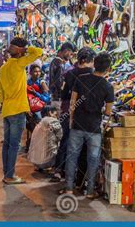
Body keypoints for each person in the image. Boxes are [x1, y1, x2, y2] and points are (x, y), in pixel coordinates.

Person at [64, 53, 114, 199]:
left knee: (72, 156)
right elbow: (108, 112)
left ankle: (69, 188)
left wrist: (72, 119)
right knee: (93, 159)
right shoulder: (108, 86)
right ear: (108, 69)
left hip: (78, 124)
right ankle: (90, 191)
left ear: (94, 64)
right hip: (94, 128)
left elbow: (72, 103)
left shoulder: (81, 79)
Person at [0, 37, 43, 184]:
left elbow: (1, 92)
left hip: (7, 109)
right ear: (20, 51)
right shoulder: (19, 64)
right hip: (17, 111)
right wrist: (26, 49)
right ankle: (10, 176)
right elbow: (39, 52)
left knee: (7, 144)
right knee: (14, 145)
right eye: (23, 50)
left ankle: (7, 174)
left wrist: (4, 104)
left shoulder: (4, 67)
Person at [52, 47, 96, 182]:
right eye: (92, 60)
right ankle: (78, 177)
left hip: (67, 110)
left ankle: (60, 170)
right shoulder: (93, 75)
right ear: (86, 60)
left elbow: (63, 93)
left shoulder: (69, 73)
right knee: (81, 146)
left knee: (65, 140)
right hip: (85, 115)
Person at [27, 106, 62, 171]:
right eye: (55, 113)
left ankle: (39, 167)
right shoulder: (52, 121)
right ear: (50, 113)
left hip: (35, 161)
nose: (57, 114)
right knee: (64, 146)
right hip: (47, 162)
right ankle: (57, 171)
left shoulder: (39, 124)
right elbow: (60, 136)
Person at [49, 42, 75, 107]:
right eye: (70, 52)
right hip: (58, 98)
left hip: (58, 97)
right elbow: (58, 82)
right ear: (66, 51)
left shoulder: (59, 62)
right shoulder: (58, 62)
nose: (70, 55)